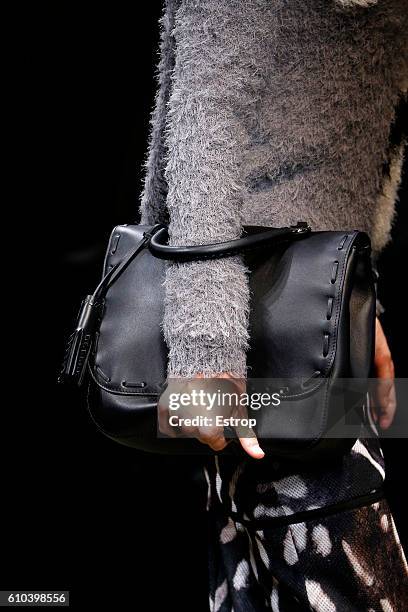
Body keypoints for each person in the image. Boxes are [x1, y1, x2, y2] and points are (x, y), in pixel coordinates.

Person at [140, 0, 408, 609]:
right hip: (252, 332)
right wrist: (206, 344)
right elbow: (202, 121)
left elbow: (346, 141)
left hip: (313, 317)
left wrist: (358, 306)